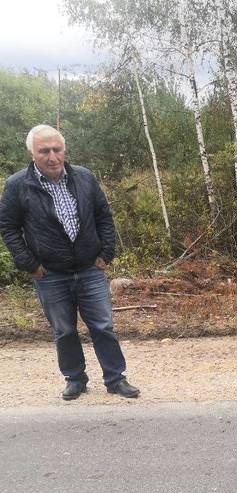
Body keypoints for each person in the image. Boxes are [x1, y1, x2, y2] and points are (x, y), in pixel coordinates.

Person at [0, 125, 139, 400]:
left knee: (103, 326)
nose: (52, 156)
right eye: (44, 151)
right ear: (32, 153)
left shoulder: (84, 177)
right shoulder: (18, 185)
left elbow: (103, 215)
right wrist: (29, 264)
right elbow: (8, 227)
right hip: (49, 274)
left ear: (64, 150)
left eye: (57, 149)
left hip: (90, 269)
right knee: (64, 331)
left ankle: (115, 379)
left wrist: (106, 253)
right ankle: (75, 379)